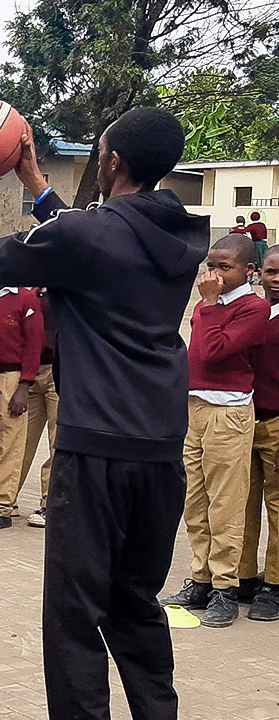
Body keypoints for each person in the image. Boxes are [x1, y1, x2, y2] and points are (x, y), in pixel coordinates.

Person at [0, 106, 208, 719]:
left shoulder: (89, 235)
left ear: (111, 162)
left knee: (74, 613)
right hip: (160, 444)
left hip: (95, 448)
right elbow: (97, 239)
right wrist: (36, 185)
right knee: (136, 600)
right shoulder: (179, 232)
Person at [160, 233, 268, 628]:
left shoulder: (253, 308)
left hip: (229, 414)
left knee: (226, 502)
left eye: (225, 267)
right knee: (196, 499)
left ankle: (225, 585)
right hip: (195, 407)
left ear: (248, 271)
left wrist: (206, 306)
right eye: (212, 266)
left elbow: (215, 350)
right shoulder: (212, 306)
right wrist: (207, 307)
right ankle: (201, 578)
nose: (215, 274)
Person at [0, 280, 43, 531]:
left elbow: (34, 343)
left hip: (10, 379)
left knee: (7, 443)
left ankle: (1, 506)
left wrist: (25, 385)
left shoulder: (25, 299)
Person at [245, 245, 279, 622]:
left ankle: (275, 584)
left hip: (276, 421)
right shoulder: (252, 313)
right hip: (243, 420)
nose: (277, 280)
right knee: (242, 501)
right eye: (271, 272)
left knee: (278, 505)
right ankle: (241, 576)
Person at [19, 288, 57, 528]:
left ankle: (50, 504)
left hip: (60, 369)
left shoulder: (71, 292)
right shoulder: (28, 294)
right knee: (20, 439)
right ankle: (3, 499)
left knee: (58, 441)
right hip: (30, 373)